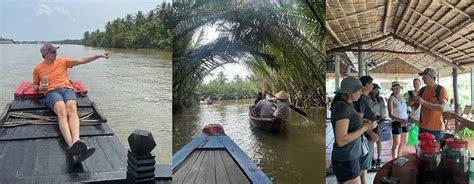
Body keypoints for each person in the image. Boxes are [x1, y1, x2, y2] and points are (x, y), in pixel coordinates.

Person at [33, 43, 109, 165]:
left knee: (72, 109)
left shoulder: (63, 62)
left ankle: (76, 141)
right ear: (45, 54)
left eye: (55, 51)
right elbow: (35, 84)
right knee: (61, 111)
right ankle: (72, 146)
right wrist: (39, 88)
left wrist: (99, 55)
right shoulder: (38, 68)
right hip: (51, 91)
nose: (56, 53)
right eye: (53, 52)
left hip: (67, 89)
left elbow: (82, 60)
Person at [330, 77, 377, 183]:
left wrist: (361, 122)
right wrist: (365, 128)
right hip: (346, 157)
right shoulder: (343, 108)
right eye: (359, 90)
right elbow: (341, 140)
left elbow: (348, 123)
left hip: (349, 156)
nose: (361, 93)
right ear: (351, 92)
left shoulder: (347, 104)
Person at [353, 76, 378, 183]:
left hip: (369, 134)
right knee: (362, 165)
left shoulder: (367, 97)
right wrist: (370, 132)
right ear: (366, 85)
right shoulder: (361, 99)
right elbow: (358, 121)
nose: (373, 86)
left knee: (365, 166)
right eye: (372, 84)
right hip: (365, 136)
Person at [414, 68, 449, 142]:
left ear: (432, 77)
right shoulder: (422, 90)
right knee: (422, 151)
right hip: (423, 126)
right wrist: (412, 103)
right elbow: (415, 107)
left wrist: (423, 102)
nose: (423, 79)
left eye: (425, 76)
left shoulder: (440, 89)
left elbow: (442, 108)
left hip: (437, 128)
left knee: (435, 151)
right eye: (422, 76)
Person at [388, 81, 409, 159]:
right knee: (396, 143)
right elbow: (390, 115)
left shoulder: (402, 98)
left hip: (405, 121)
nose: (397, 90)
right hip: (396, 122)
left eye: (398, 88)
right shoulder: (391, 99)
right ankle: (394, 160)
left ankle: (399, 158)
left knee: (404, 142)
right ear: (392, 90)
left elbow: (405, 110)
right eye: (395, 89)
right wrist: (400, 120)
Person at [368, 83, 386, 169]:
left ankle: (379, 158)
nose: (376, 90)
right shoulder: (368, 98)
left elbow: (383, 109)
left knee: (379, 140)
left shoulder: (380, 99)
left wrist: (382, 116)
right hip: (371, 121)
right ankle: (372, 159)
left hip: (379, 120)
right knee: (371, 141)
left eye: (377, 89)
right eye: (374, 88)